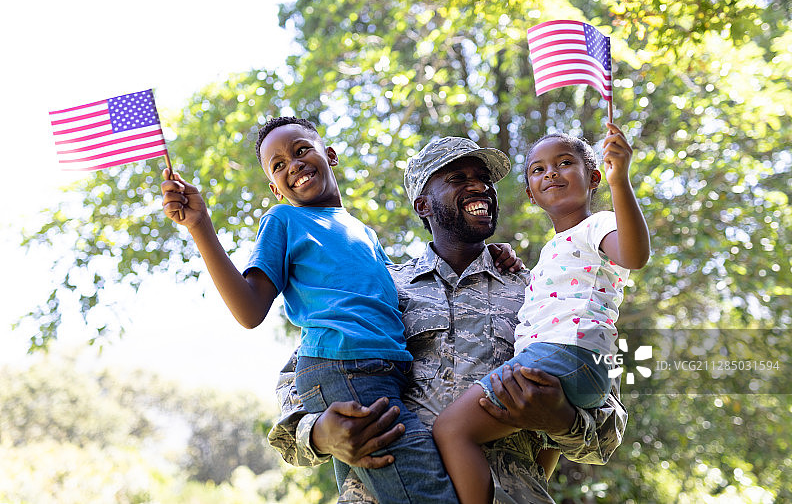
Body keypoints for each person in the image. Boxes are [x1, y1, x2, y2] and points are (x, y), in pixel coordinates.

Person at [268, 135, 630, 504]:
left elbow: (607, 425)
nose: (479, 187)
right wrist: (318, 434)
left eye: (484, 179)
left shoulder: (539, 290)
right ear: (423, 204)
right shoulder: (381, 289)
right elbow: (303, 387)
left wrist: (561, 419)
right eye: (458, 178)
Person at [161, 116, 459, 503]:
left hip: (386, 371)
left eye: (301, 150)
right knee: (425, 492)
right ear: (274, 187)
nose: (294, 164)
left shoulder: (362, 232)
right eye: (279, 164)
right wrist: (201, 227)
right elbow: (250, 310)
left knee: (412, 481)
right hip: (346, 367)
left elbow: (401, 291)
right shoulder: (284, 220)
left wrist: (493, 254)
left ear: (329, 155)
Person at [432, 123, 650, 504]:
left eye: (565, 163)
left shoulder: (598, 225)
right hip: (573, 362)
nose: (551, 172)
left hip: (561, 354)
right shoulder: (550, 253)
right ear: (531, 194)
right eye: (538, 169)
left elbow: (634, 255)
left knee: (452, 429)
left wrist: (621, 184)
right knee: (539, 442)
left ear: (593, 177)